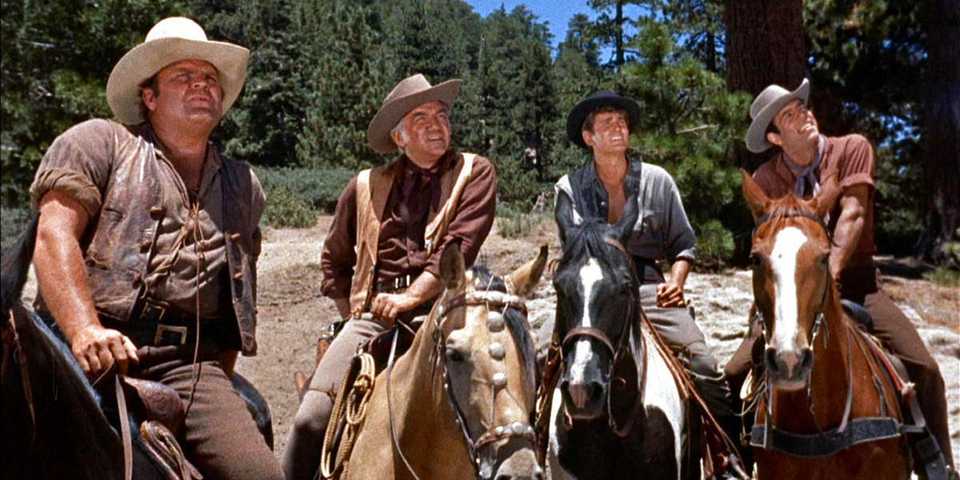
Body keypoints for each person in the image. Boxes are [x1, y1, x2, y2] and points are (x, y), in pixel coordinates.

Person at [28, 17, 282, 480]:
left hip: (186, 366)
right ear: (149, 97)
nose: (201, 86)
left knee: (261, 475)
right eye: (183, 77)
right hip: (75, 346)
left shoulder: (243, 185)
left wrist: (215, 375)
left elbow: (235, 296)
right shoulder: (98, 142)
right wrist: (84, 329)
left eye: (209, 79)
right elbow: (53, 234)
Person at [725, 78, 956, 476]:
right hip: (786, 291)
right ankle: (736, 462)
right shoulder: (764, 180)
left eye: (803, 107)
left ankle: (938, 465)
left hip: (858, 284)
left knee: (925, 367)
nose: (805, 115)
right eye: (790, 115)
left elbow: (853, 213)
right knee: (731, 374)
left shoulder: (850, 149)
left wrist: (825, 278)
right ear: (776, 137)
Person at [283, 73, 497, 480]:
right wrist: (356, 311)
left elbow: (459, 246)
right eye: (421, 117)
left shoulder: (475, 171)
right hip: (374, 316)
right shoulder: (366, 185)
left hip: (449, 309)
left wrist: (410, 298)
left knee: (503, 404)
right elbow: (334, 261)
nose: (437, 125)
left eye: (441, 114)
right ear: (399, 137)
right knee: (310, 419)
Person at [555, 91, 743, 475]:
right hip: (592, 291)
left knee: (705, 365)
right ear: (588, 137)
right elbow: (574, 252)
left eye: (622, 122)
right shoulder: (569, 188)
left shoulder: (658, 180)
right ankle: (536, 445)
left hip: (649, 287)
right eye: (606, 123)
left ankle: (726, 454)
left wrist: (677, 280)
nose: (618, 128)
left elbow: (684, 244)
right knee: (541, 354)